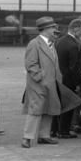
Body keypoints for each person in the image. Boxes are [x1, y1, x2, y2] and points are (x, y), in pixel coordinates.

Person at [21, 17, 63, 148]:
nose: (54, 30)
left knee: (48, 109)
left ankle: (44, 136)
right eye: (52, 28)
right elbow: (31, 64)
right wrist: (40, 77)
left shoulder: (51, 44)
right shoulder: (34, 44)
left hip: (51, 83)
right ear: (45, 29)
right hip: (38, 85)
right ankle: (27, 137)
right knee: (35, 110)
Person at [55, 18, 81, 138]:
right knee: (68, 106)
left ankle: (56, 130)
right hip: (68, 80)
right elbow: (74, 67)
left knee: (59, 105)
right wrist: (78, 83)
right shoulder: (73, 45)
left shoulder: (60, 41)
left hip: (59, 77)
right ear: (76, 28)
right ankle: (64, 131)